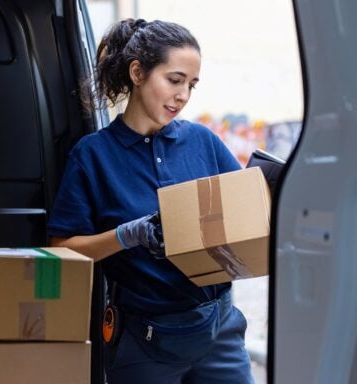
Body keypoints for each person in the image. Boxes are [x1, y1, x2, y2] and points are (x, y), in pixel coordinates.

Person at [47, 18, 254, 384]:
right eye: (174, 80)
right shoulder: (93, 155)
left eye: (191, 85)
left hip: (219, 332)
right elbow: (63, 249)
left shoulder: (203, 142)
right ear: (138, 72)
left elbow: (245, 214)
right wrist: (127, 235)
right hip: (145, 343)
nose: (183, 96)